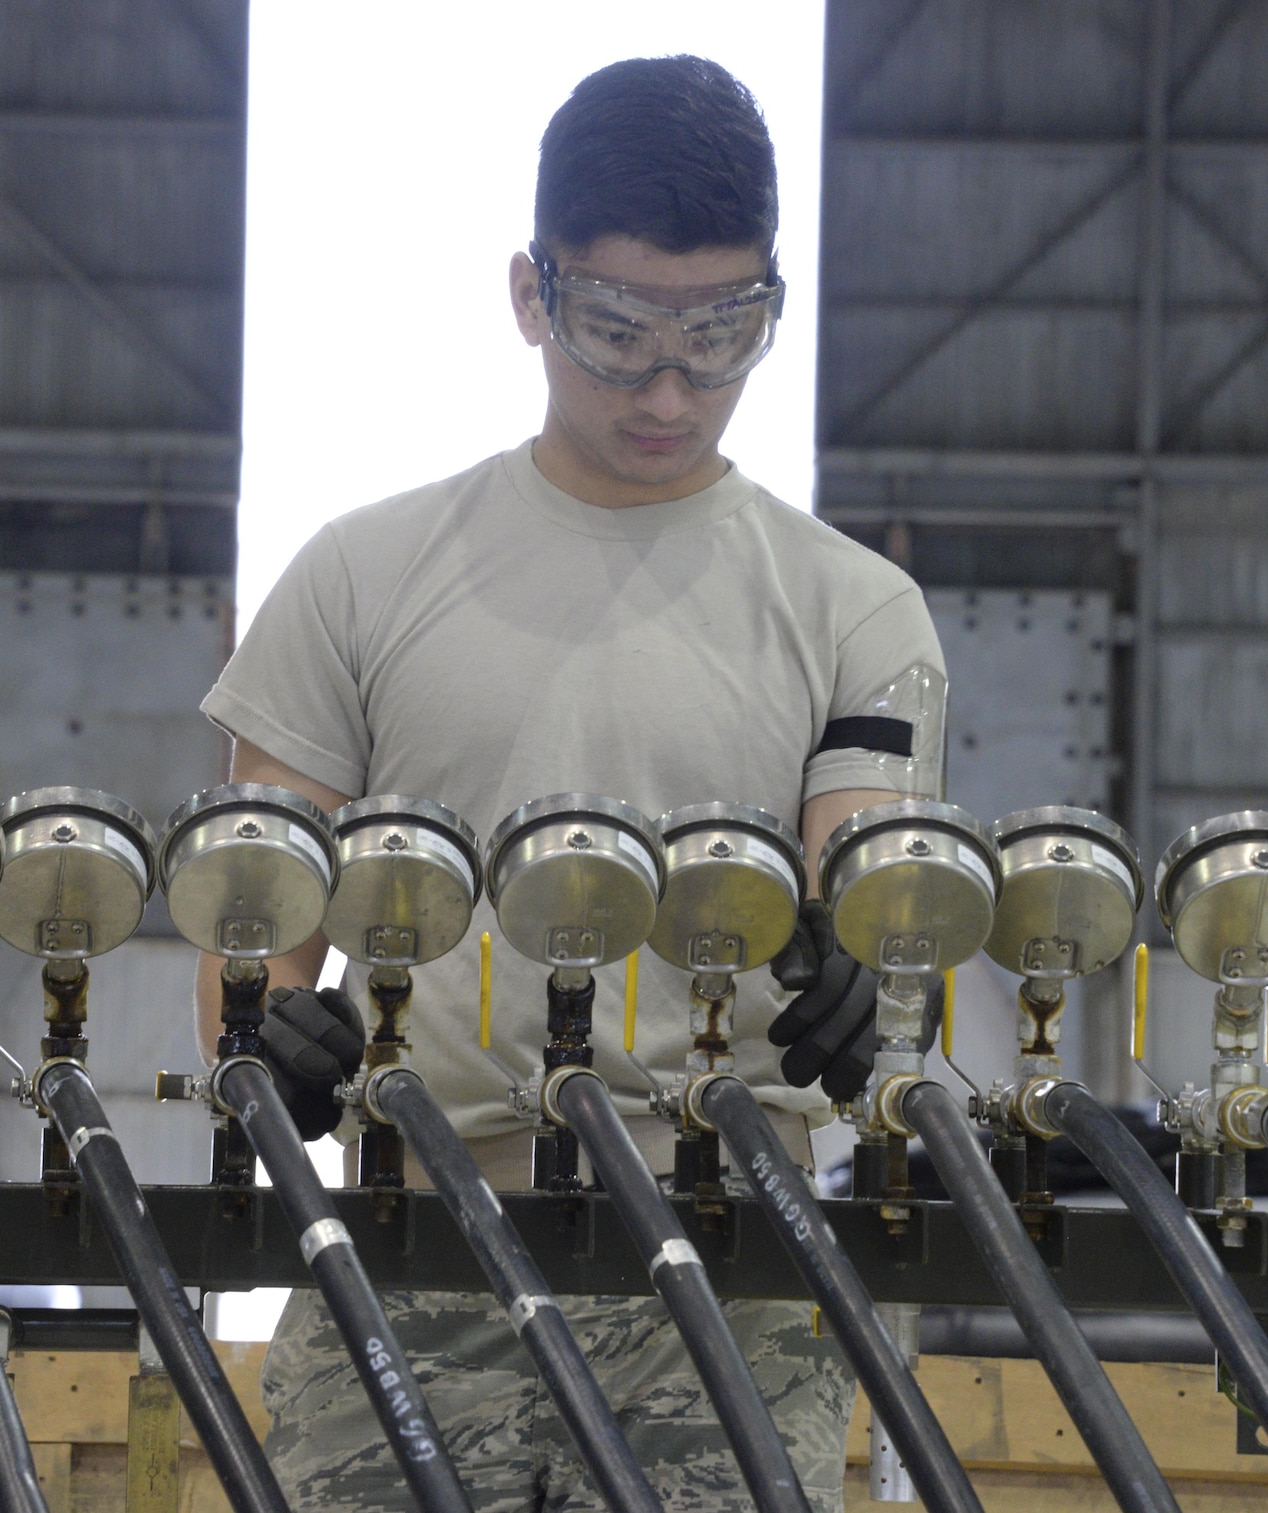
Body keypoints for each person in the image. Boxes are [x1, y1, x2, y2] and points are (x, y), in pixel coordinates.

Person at [194, 55, 945, 1513]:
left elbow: (873, 899)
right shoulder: (361, 574)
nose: (671, 387)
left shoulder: (856, 607)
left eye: (723, 333)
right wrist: (255, 1042)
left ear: (771, 304)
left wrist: (863, 980)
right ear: (531, 297)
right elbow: (256, 898)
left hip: (734, 1252)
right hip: (413, 1233)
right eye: (618, 333)